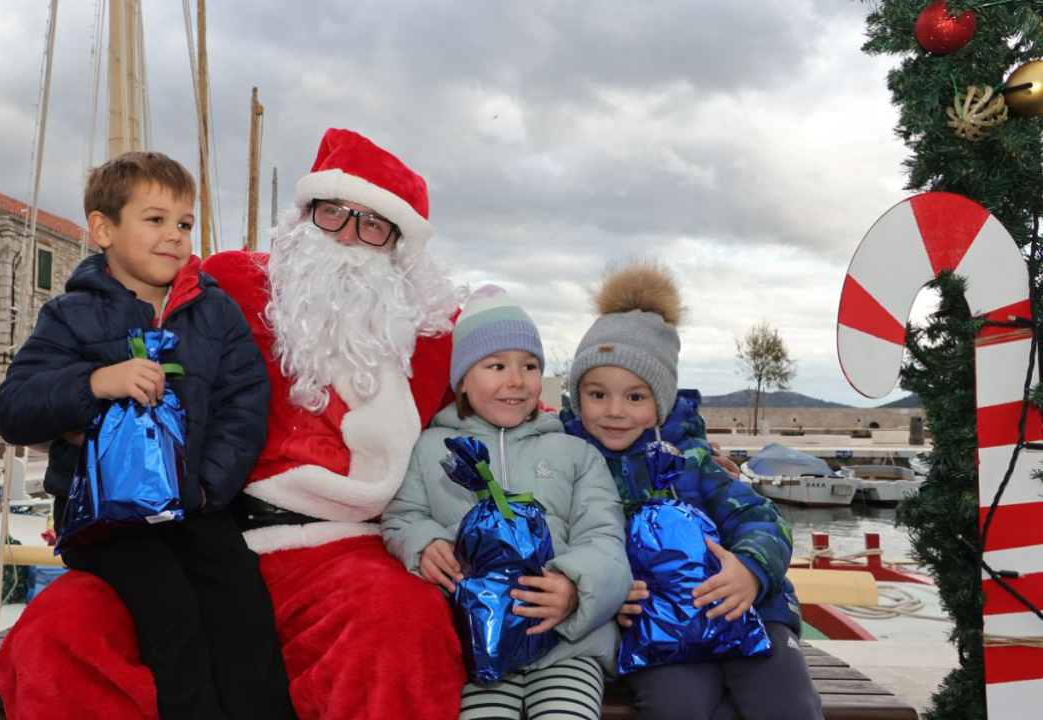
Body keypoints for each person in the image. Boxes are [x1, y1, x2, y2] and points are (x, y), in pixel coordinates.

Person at [0, 151, 295, 720]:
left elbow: (244, 407)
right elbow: (14, 410)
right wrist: (93, 383)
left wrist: (206, 491)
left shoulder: (216, 313)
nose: (174, 236)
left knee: (242, 601)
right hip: (104, 520)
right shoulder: (69, 316)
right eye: (155, 219)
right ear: (104, 228)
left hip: (194, 509)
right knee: (170, 608)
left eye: (183, 223)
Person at [198, 128, 469, 719]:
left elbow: (519, 415)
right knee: (64, 628)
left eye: (373, 224)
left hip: (348, 550)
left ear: (397, 246)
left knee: (402, 624)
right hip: (212, 538)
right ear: (304, 215)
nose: (348, 236)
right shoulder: (236, 284)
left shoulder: (433, 337)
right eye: (334, 213)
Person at [563, 262, 823, 720]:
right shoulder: (572, 465)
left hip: (746, 605)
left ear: (660, 403)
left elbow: (764, 520)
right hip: (659, 627)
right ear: (576, 395)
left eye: (636, 397)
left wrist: (749, 570)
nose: (615, 411)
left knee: (785, 695)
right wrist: (607, 595)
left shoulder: (696, 463)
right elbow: (573, 546)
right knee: (674, 702)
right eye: (597, 394)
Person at [382, 285, 631, 720]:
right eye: (496, 365)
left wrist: (575, 589)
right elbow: (402, 517)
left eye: (530, 365)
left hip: (566, 647)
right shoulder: (428, 450)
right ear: (461, 380)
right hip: (477, 650)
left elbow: (606, 538)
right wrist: (422, 543)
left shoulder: (577, 454)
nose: (516, 380)